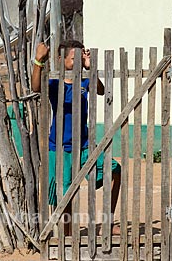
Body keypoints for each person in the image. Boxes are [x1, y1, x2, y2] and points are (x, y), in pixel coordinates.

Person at [31, 39, 121, 235]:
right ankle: (66, 235)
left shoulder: (84, 79)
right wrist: (38, 60)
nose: (77, 62)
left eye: (81, 58)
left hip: (84, 145)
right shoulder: (55, 82)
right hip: (61, 147)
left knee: (114, 170)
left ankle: (108, 221)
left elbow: (100, 90)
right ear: (61, 59)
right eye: (74, 59)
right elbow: (36, 87)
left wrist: (91, 67)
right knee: (65, 193)